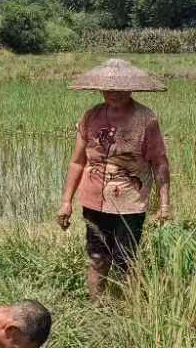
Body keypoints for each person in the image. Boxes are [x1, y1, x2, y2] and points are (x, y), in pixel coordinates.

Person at [57, 59, 173, 300]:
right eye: (109, 89)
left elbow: (160, 163)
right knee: (97, 256)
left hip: (129, 203)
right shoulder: (90, 117)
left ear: (131, 88)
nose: (115, 94)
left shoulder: (146, 119)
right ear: (100, 89)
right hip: (93, 200)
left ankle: (127, 309)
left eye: (120, 89)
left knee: (126, 260)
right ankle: (96, 308)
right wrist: (66, 201)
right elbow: (77, 161)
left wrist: (164, 205)